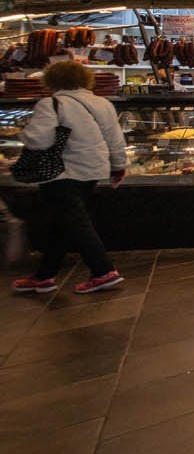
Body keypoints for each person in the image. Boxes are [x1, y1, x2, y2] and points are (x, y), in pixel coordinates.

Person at [12, 61, 127, 295]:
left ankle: (103, 271)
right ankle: (44, 275)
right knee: (63, 221)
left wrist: (20, 133)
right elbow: (115, 139)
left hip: (62, 171)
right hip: (94, 168)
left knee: (76, 222)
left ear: (51, 81)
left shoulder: (51, 103)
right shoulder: (102, 103)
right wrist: (118, 166)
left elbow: (38, 141)